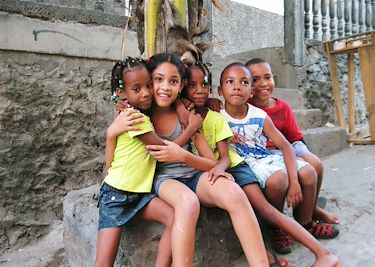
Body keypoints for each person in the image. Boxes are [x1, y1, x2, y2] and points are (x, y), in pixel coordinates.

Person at [180, 62, 340, 267]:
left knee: (267, 210)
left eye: (203, 85)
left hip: (237, 167)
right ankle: (271, 257)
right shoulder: (209, 113)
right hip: (230, 169)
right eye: (192, 86)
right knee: (255, 210)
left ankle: (322, 252)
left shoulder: (218, 116)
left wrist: (218, 165)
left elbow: (223, 157)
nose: (199, 90)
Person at [144, 53, 270, 267]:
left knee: (234, 193)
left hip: (194, 174)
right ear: (149, 81)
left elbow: (211, 162)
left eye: (173, 81)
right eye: (158, 79)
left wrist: (184, 155)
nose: (165, 87)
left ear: (180, 84)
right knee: (187, 202)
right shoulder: (142, 114)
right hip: (165, 180)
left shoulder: (188, 114)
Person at [245, 58, 340, 251]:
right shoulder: (245, 107)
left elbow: (294, 139)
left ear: (275, 79)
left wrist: (300, 158)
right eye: (255, 79)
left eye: (267, 77)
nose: (263, 84)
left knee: (316, 164)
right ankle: (279, 228)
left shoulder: (283, 107)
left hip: (288, 145)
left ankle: (308, 214)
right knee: (288, 176)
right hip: (266, 151)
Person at [95, 57, 179, 267]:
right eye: (137, 88)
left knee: (172, 216)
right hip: (116, 196)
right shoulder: (133, 118)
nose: (146, 92)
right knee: (103, 263)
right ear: (122, 93)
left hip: (139, 196)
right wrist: (191, 128)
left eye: (149, 85)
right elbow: (162, 148)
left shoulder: (135, 113)